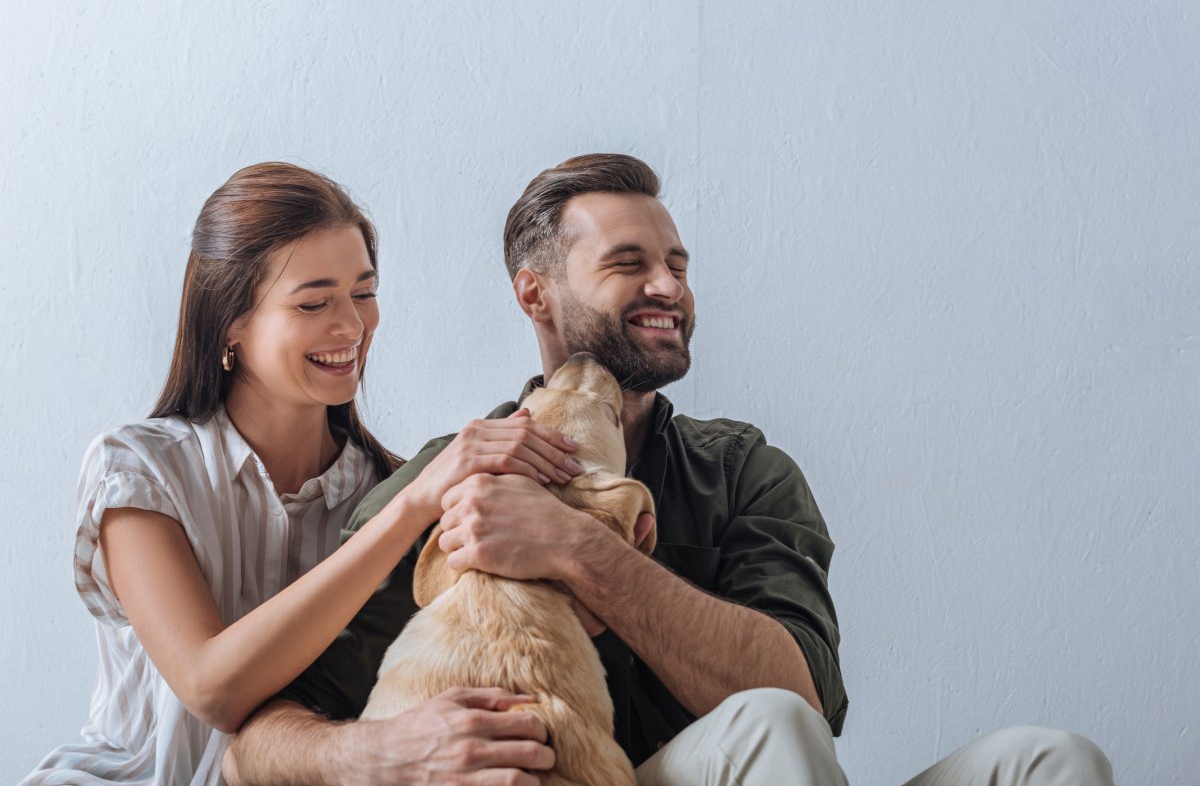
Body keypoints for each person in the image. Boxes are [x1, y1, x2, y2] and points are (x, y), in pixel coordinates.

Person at [225, 154, 1114, 786]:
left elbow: (802, 692)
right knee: (769, 732)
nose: (668, 287)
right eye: (628, 263)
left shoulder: (741, 469)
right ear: (534, 292)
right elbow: (254, 740)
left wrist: (580, 548)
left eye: (677, 265)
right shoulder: (446, 479)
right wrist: (374, 756)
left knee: (1056, 762)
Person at [21, 162, 579, 786]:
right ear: (231, 322)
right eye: (313, 302)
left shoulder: (381, 490)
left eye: (364, 293)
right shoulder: (140, 470)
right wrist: (411, 506)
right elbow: (214, 690)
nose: (351, 326)